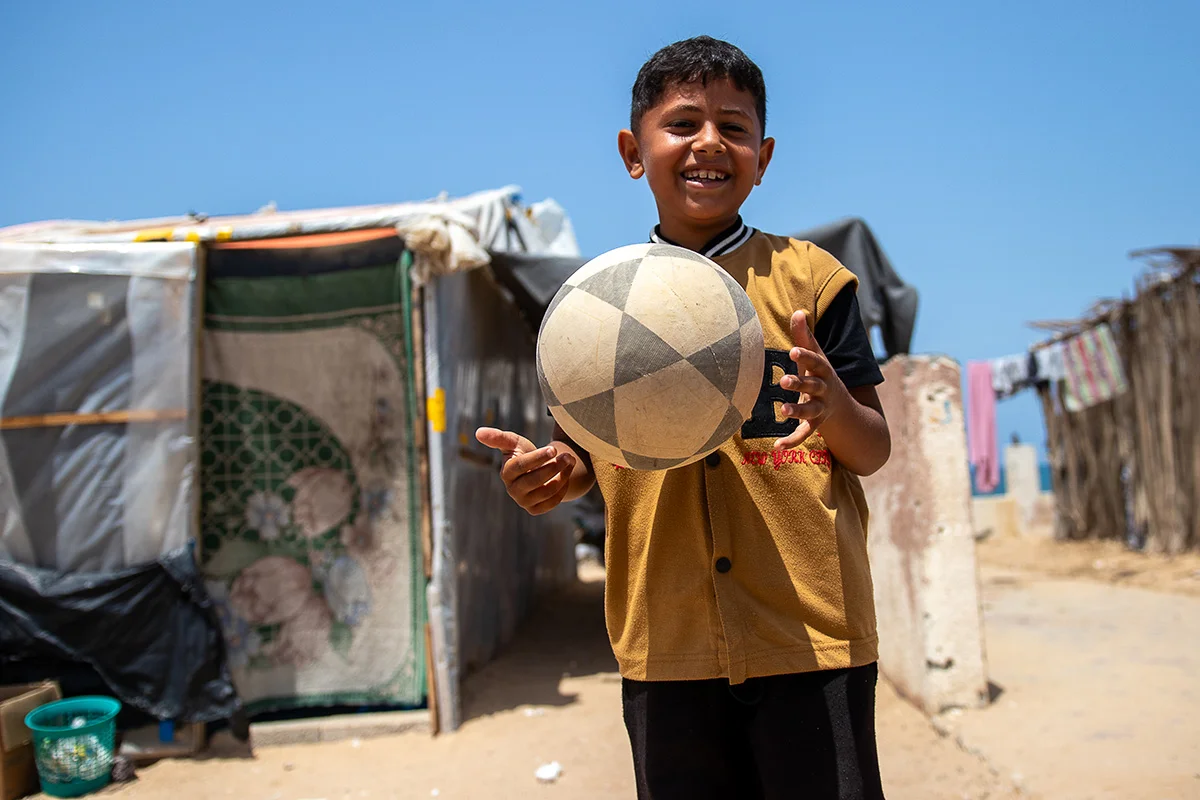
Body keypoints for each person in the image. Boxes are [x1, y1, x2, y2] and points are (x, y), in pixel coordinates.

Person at [477, 36, 891, 800]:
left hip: (811, 639)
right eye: (683, 124)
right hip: (667, 647)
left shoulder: (812, 281)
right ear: (635, 151)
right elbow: (581, 457)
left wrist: (832, 406)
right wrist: (554, 474)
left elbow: (871, 450)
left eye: (733, 128)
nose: (709, 144)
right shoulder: (596, 309)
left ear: (762, 156)